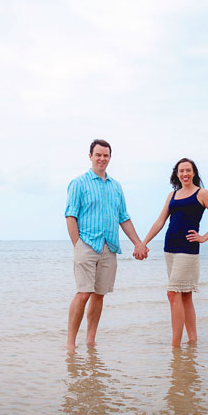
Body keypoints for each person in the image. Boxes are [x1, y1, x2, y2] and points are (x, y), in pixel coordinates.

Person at [65, 139, 147, 352]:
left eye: (106, 155)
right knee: (84, 293)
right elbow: (70, 215)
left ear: (110, 158)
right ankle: (70, 343)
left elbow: (123, 217)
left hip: (109, 247)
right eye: (98, 155)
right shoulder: (79, 183)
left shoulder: (116, 186)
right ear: (90, 156)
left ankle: (90, 340)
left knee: (99, 295)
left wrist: (138, 243)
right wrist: (77, 245)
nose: (102, 159)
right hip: (86, 244)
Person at [137, 158, 208, 347]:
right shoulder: (172, 195)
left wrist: (204, 237)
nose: (185, 174)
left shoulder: (202, 193)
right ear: (176, 174)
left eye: (188, 170)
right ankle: (192, 340)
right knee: (185, 296)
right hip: (170, 248)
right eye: (181, 171)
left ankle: (175, 345)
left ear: (194, 173)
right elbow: (160, 222)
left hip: (188, 249)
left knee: (172, 293)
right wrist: (143, 242)